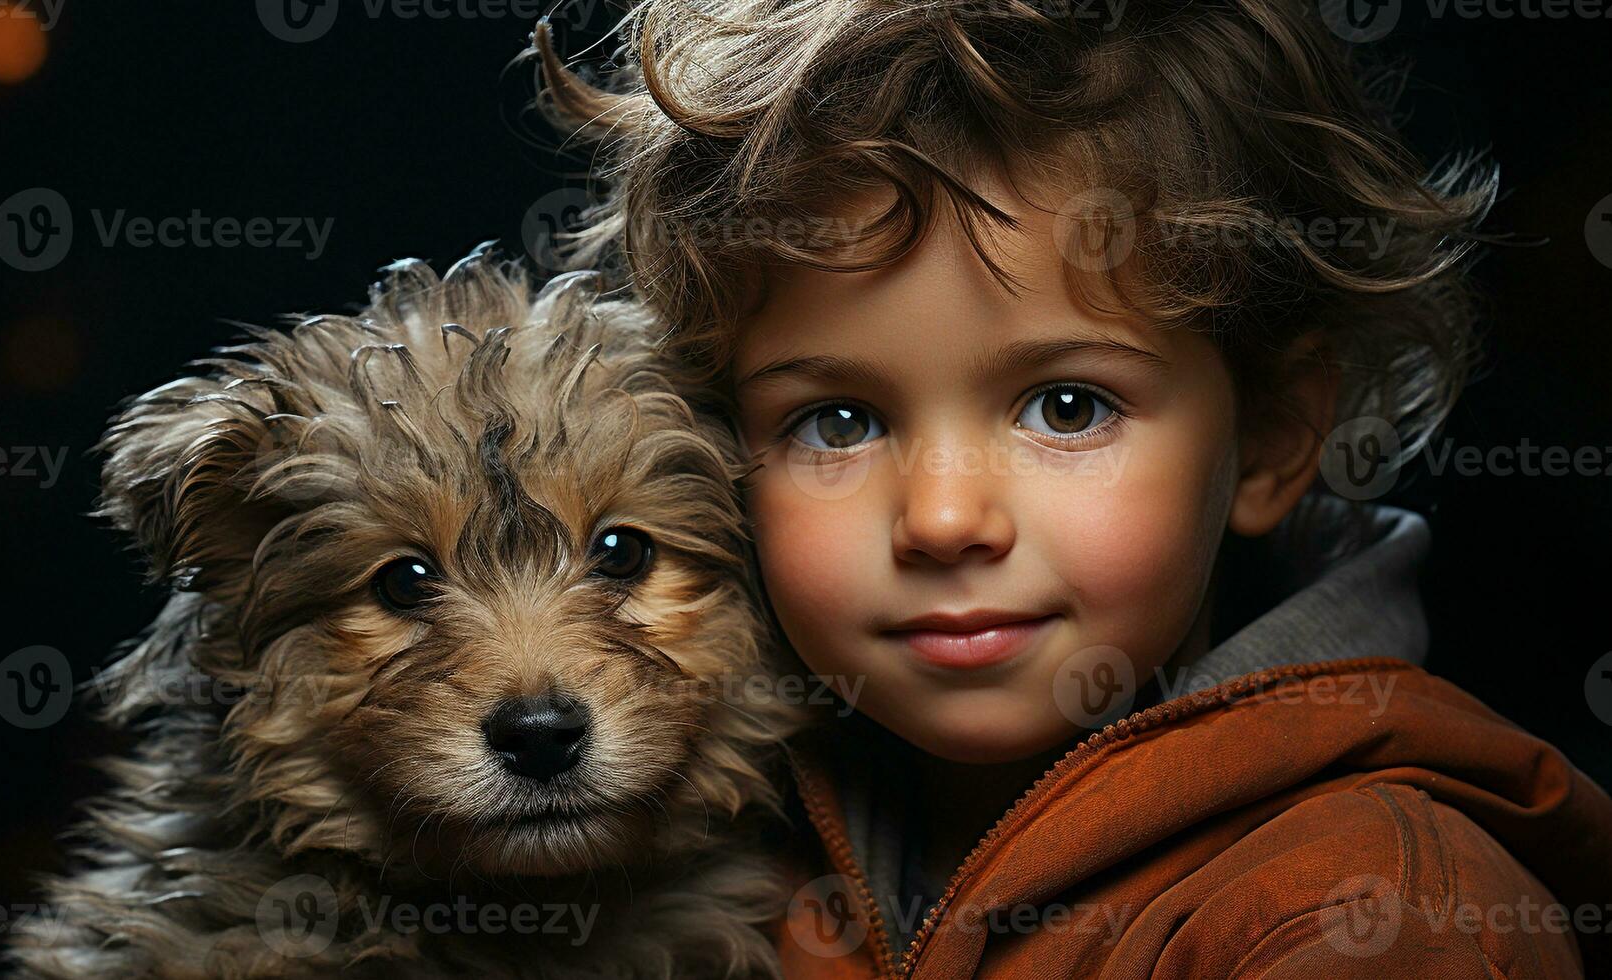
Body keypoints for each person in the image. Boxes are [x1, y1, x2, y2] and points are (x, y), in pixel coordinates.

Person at [530, 2, 1612, 975]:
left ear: (1273, 435)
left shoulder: (1367, 914)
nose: (943, 520)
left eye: (1065, 407)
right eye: (838, 421)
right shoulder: (683, 850)